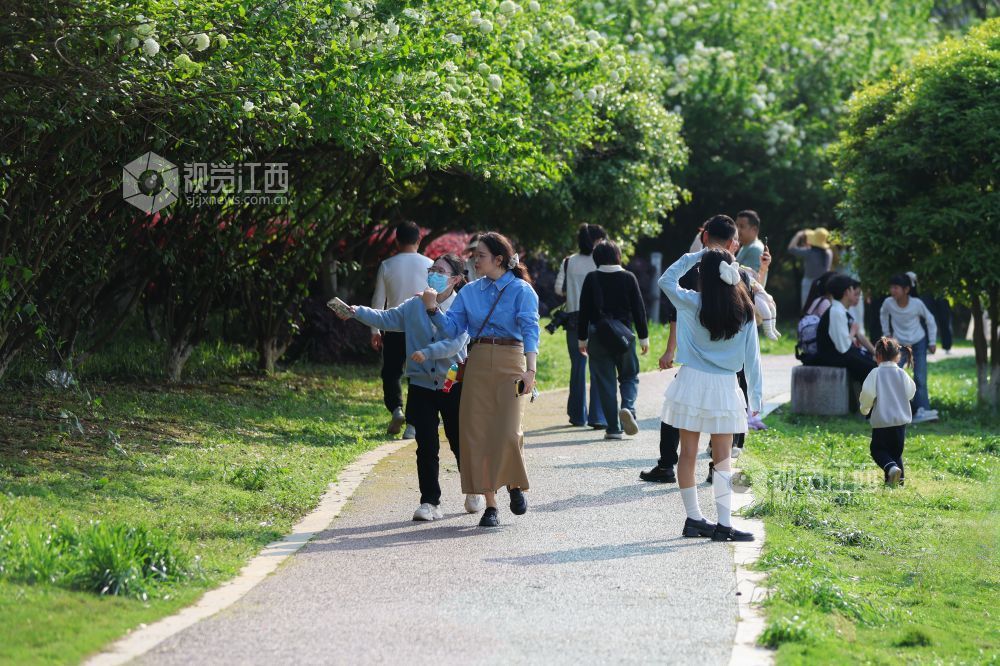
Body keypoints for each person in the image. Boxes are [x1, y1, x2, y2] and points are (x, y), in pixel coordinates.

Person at [338, 254, 485, 520]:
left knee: (459, 441)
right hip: (421, 384)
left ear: (455, 279)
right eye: (432, 269)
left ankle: (473, 489)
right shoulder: (414, 304)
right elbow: (386, 318)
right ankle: (430, 502)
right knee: (425, 445)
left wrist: (428, 351)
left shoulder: (463, 306)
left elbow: (455, 344)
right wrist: (356, 311)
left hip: (452, 383)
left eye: (440, 271)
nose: (433, 274)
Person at [421, 232, 540, 528]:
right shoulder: (470, 291)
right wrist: (433, 308)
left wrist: (531, 370)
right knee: (477, 435)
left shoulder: (521, 290)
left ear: (499, 259)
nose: (475, 261)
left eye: (481, 256)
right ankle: (490, 505)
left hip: (512, 362)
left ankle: (514, 483)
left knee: (509, 432)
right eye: (474, 256)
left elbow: (530, 329)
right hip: (477, 361)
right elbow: (453, 329)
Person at [659, 245, 763, 542]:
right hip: (724, 386)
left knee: (688, 453)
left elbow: (666, 280)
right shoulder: (744, 310)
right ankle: (724, 524)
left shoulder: (692, 301)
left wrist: (695, 255)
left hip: (691, 381)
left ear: (703, 274)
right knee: (723, 459)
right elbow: (753, 358)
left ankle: (694, 519)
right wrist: (756, 398)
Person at [642, 216, 753, 484]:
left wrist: (695, 256)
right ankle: (722, 502)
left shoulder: (694, 275)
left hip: (693, 372)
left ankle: (667, 466)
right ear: (733, 242)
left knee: (685, 443)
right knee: (723, 453)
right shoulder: (740, 278)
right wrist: (756, 395)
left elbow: (669, 294)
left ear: (704, 237)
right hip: (727, 377)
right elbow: (752, 345)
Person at [577, 239, 649, 440]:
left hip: (598, 336)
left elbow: (584, 311)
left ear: (596, 258)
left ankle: (613, 429)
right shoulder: (629, 277)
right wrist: (643, 338)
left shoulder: (591, 278)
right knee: (629, 376)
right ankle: (628, 408)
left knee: (605, 382)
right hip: (624, 336)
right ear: (618, 255)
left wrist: (582, 340)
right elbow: (639, 310)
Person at [370, 221, 433, 436]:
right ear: (419, 240)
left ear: (396, 241)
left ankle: (396, 409)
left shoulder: (387, 265)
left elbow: (378, 301)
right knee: (418, 376)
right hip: (422, 329)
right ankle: (412, 426)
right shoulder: (430, 265)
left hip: (394, 327)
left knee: (391, 372)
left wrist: (375, 331)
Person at [554, 224, 608, 429]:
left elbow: (558, 289)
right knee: (597, 366)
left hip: (574, 320)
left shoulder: (568, 261)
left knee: (577, 367)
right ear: (596, 240)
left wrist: (573, 292)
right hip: (597, 319)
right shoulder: (602, 260)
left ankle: (577, 416)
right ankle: (598, 416)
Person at [880, 274, 939, 423]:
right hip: (899, 344)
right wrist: (887, 334)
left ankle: (923, 411)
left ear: (906, 289)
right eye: (891, 287)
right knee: (892, 375)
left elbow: (930, 320)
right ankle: (893, 410)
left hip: (918, 342)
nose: (892, 291)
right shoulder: (888, 303)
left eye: (896, 287)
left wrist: (932, 341)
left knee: (920, 377)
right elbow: (883, 314)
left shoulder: (916, 304)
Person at [860, 337, 916, 486]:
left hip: (882, 422)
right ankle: (898, 483)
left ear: (878, 356)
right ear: (897, 356)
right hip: (900, 423)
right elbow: (911, 392)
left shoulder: (876, 373)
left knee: (877, 450)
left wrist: (865, 409)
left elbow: (867, 394)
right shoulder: (901, 373)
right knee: (895, 453)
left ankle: (891, 470)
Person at [813, 274, 877, 383]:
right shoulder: (836, 312)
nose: (855, 293)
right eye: (853, 290)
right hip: (833, 358)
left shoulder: (839, 310)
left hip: (840, 355)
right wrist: (852, 332)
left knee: (874, 365)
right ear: (847, 292)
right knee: (874, 369)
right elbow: (843, 347)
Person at [796, 271, 837, 364]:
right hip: (818, 350)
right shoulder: (825, 302)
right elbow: (831, 328)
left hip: (809, 348)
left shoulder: (818, 300)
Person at [787, 227, 834, 308]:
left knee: (807, 309)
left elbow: (791, 249)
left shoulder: (809, 252)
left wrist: (798, 235)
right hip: (824, 284)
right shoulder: (829, 253)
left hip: (809, 284)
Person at [735, 210, 765, 275]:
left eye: (742, 226)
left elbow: (747, 278)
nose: (737, 230)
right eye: (736, 225)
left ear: (754, 230)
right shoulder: (745, 246)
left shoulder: (755, 249)